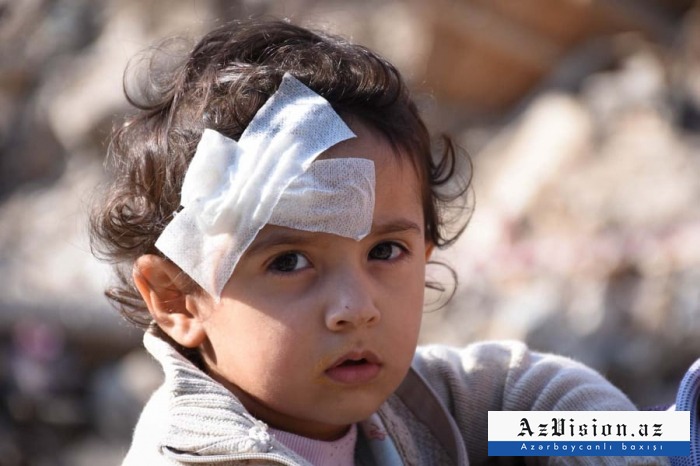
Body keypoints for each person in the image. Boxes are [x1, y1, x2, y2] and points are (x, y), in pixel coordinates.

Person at [89, 18, 667, 466]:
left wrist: (649, 442)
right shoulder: (197, 455)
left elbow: (530, 412)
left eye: (384, 252)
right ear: (179, 299)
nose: (356, 307)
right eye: (289, 261)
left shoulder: (421, 407)